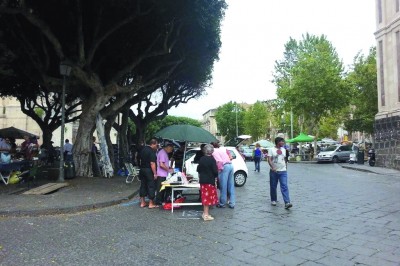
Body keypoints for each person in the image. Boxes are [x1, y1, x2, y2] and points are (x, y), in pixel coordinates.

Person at [268, 136, 292, 209]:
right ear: (278, 142)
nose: (283, 142)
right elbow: (269, 159)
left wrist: (286, 167)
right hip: (274, 171)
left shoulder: (284, 150)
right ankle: (273, 200)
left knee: (284, 186)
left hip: (283, 171)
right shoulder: (271, 150)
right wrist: (273, 167)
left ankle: (287, 202)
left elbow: (284, 159)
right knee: (273, 186)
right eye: (282, 141)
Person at [197, 144, 219, 221]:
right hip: (210, 181)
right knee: (208, 198)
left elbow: (198, 169)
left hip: (202, 180)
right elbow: (215, 171)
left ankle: (204, 213)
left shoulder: (202, 159)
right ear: (211, 151)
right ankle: (206, 214)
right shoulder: (212, 160)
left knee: (204, 197)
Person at [212, 142, 235, 209]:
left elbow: (219, 161)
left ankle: (222, 203)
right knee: (231, 185)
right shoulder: (221, 150)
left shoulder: (214, 151)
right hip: (230, 165)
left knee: (223, 186)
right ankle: (232, 203)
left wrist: (218, 171)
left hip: (224, 167)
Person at [138, 138, 159, 209]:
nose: (157, 146)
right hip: (149, 170)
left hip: (142, 169)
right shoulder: (151, 152)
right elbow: (152, 163)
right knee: (151, 185)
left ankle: (142, 202)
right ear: (153, 144)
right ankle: (151, 203)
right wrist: (155, 173)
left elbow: (137, 158)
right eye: (156, 145)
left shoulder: (143, 149)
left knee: (143, 185)